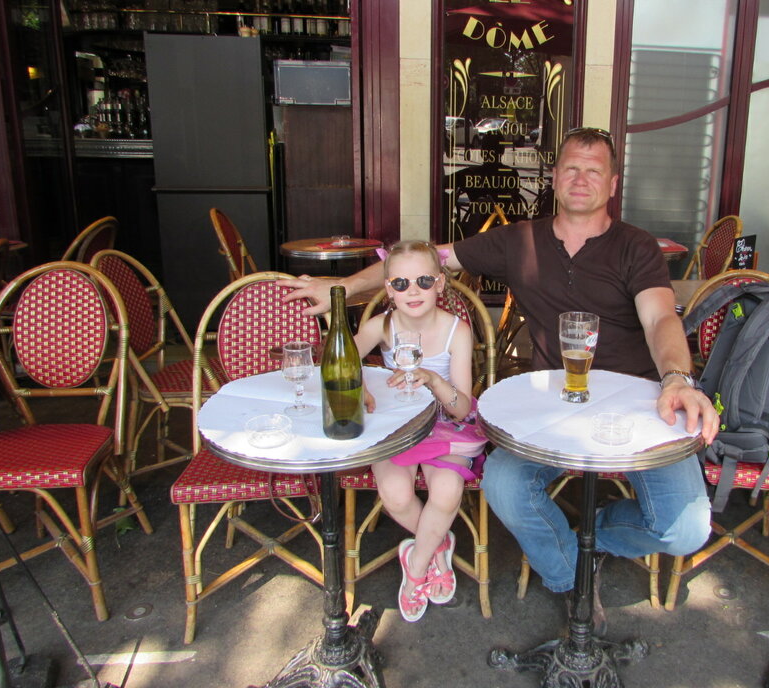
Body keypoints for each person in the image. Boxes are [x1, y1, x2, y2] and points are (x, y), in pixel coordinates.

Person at [281, 127, 720, 633]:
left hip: (638, 401)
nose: (581, 179)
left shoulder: (635, 246)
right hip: (552, 401)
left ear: (613, 183)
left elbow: (660, 318)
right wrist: (343, 286)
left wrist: (677, 378)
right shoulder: (519, 240)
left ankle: (591, 539)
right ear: (553, 176)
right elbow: (424, 261)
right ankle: (572, 575)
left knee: (685, 529)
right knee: (504, 485)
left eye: (594, 170)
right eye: (571, 168)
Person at [354, 240, 485, 623]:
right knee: (395, 496)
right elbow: (340, 361)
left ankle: (415, 569)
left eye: (424, 281)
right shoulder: (381, 326)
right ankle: (437, 547)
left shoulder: (456, 331)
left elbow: (462, 407)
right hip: (397, 423)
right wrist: (359, 387)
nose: (412, 291)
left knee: (446, 491)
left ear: (440, 283)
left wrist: (433, 379)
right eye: (401, 283)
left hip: (446, 422)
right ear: (388, 288)